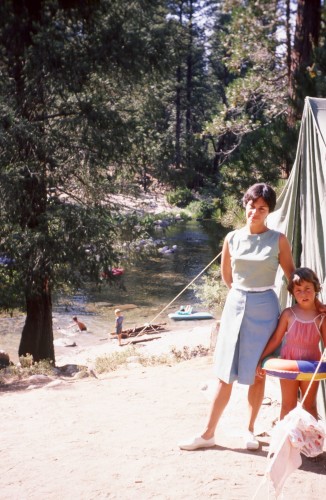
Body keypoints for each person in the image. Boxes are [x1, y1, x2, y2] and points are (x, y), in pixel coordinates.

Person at [178, 182, 296, 451]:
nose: (254, 212)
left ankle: (249, 430)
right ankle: (208, 434)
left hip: (265, 307)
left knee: (258, 372)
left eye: (261, 208)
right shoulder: (231, 238)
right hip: (236, 304)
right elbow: (227, 276)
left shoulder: (278, 239)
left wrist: (309, 305)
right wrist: (241, 296)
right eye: (251, 207)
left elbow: (292, 277)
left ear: (269, 211)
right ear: (245, 205)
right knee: (224, 373)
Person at [257, 268, 326, 420]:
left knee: (310, 405)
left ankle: (312, 442)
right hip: (289, 361)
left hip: (312, 363)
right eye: (298, 290)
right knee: (288, 405)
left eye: (308, 288)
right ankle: (286, 441)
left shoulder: (321, 316)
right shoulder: (288, 314)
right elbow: (276, 339)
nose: (304, 294)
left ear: (316, 288)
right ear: (293, 293)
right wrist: (261, 359)